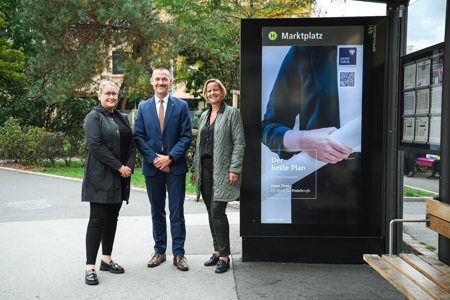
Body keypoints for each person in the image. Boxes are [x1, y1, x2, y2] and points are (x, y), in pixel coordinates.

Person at [261, 46, 361, 224]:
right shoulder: (303, 51)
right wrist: (302, 140)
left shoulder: (381, 51)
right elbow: (269, 127)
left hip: (374, 185)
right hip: (317, 185)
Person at [133, 67, 192, 271]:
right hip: (152, 168)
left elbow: (186, 136)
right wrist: (154, 159)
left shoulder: (182, 105)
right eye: (157, 79)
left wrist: (170, 158)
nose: (160, 82)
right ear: (151, 81)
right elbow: (138, 136)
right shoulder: (143, 107)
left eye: (164, 79)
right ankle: (159, 251)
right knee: (157, 212)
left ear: (170, 81)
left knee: (177, 212)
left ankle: (179, 254)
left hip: (175, 168)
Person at [82, 81, 136, 285]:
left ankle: (106, 259)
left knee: (112, 218)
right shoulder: (93, 117)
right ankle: (90, 267)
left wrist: (128, 166)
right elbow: (95, 144)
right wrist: (119, 166)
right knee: (97, 219)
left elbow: (132, 144)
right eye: (108, 93)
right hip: (100, 176)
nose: (112, 97)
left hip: (120, 176)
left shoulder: (121, 117)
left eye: (114, 94)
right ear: (99, 95)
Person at [190, 79, 245, 273]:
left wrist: (234, 168)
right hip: (205, 169)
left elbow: (239, 143)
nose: (212, 93)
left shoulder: (232, 113)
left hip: (222, 170)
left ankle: (224, 256)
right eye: (209, 91)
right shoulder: (205, 114)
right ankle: (216, 251)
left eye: (216, 90)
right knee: (210, 211)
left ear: (222, 92)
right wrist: (195, 168)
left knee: (217, 210)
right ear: (206, 94)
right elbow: (199, 145)